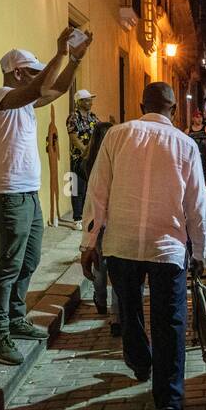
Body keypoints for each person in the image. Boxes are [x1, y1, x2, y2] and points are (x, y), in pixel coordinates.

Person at [81, 82, 206, 410]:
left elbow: (97, 191)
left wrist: (89, 241)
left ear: (141, 104)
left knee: (130, 309)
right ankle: (168, 401)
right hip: (167, 246)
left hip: (122, 243)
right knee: (170, 322)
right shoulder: (186, 144)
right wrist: (200, 248)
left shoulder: (117, 136)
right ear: (174, 109)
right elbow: (196, 203)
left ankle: (139, 361)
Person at [0, 27, 93, 365]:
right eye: (33, 71)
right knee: (8, 265)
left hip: (28, 194)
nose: (39, 77)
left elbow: (56, 88)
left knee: (29, 261)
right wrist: (61, 52)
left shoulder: (26, 103)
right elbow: (37, 87)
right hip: (8, 195)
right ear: (18, 72)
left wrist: (74, 60)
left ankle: (16, 318)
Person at [81, 121, 121, 336]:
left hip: (97, 220)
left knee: (99, 263)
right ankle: (116, 317)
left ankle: (100, 299)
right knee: (115, 270)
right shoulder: (117, 159)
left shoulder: (89, 161)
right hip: (114, 219)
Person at [66, 88, 100, 222]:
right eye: (86, 100)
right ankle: (77, 218)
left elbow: (100, 131)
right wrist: (86, 152)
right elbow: (73, 137)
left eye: (90, 100)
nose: (90, 102)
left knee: (89, 188)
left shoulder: (93, 117)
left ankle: (87, 215)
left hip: (91, 158)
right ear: (79, 102)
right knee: (77, 188)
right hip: (78, 158)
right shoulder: (73, 117)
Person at [187, 110, 206, 179]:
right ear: (193, 118)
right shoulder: (188, 131)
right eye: (197, 117)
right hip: (192, 159)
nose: (200, 119)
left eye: (201, 117)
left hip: (204, 158)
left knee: (204, 178)